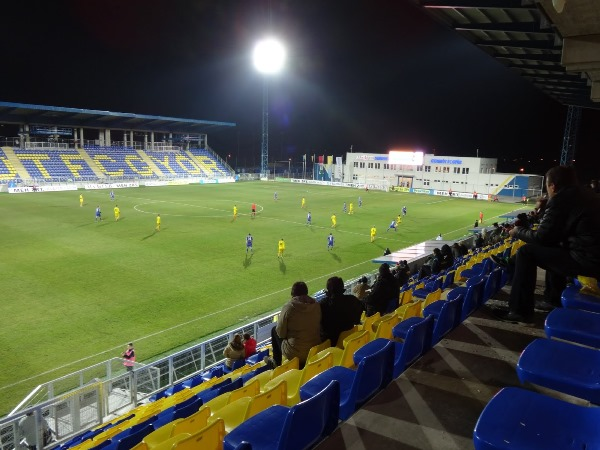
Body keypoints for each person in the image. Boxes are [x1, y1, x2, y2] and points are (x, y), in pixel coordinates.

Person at [492, 166, 600, 324]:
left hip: (587, 260)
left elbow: (541, 237)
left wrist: (517, 231)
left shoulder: (561, 200)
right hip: (591, 255)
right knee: (554, 247)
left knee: (526, 252)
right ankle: (553, 299)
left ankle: (519, 311)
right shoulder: (585, 194)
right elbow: (554, 233)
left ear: (553, 186)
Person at [265, 281, 321, 368]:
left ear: (293, 293)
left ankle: (276, 362)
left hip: (296, 352)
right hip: (315, 347)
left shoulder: (289, 307)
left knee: (274, 330)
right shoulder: (316, 305)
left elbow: (280, 333)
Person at [320, 276, 364, 346]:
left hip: (332, 343)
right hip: (349, 338)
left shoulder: (324, 304)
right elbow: (361, 308)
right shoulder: (352, 299)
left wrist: (329, 297)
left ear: (329, 290)